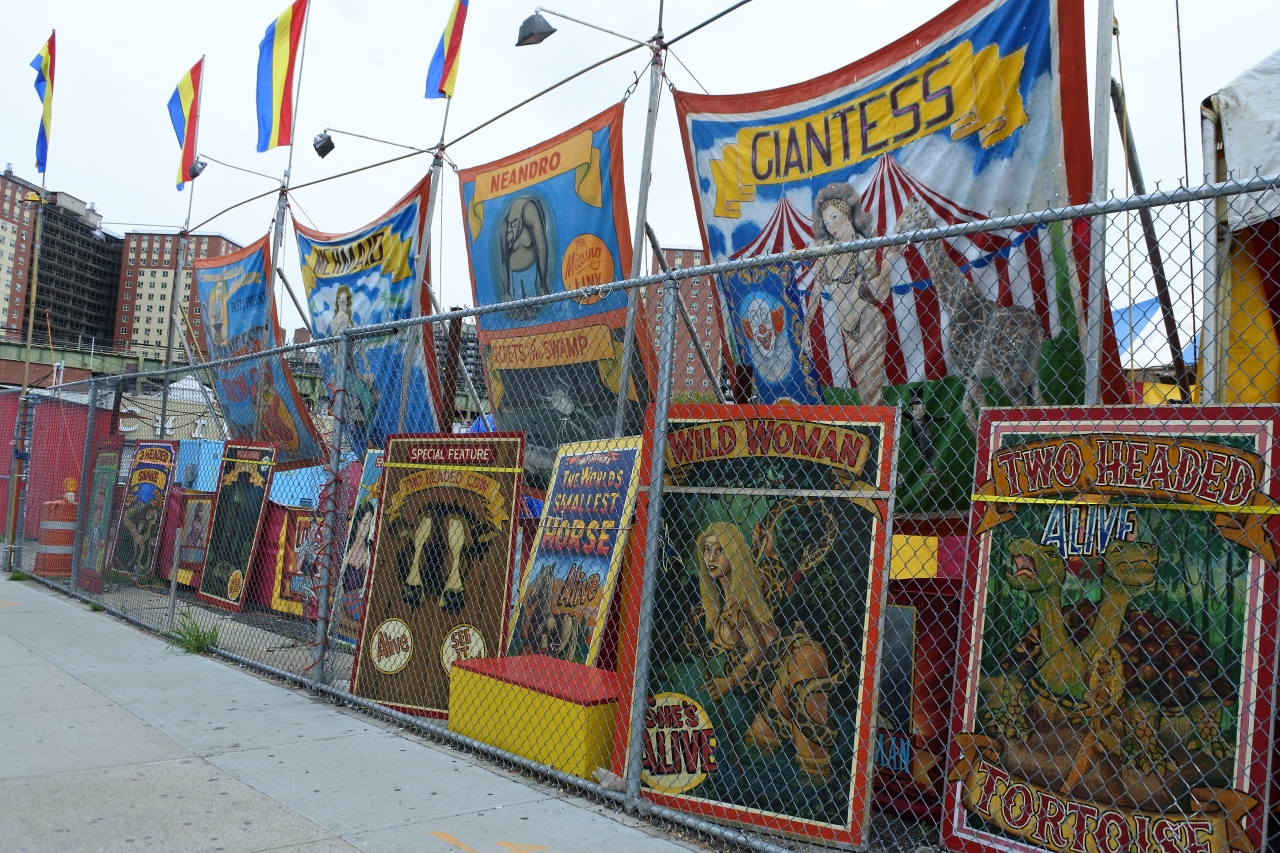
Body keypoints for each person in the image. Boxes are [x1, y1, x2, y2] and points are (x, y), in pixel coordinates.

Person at [696, 522, 841, 781]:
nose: (711, 558)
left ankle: (821, 795)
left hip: (799, 657)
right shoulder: (740, 591)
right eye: (707, 550)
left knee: (812, 757)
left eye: (720, 550)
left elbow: (758, 648)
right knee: (758, 744)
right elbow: (775, 573)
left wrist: (729, 682)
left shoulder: (743, 597)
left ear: (734, 552)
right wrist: (769, 550)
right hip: (774, 674)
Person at [810, 184, 899, 406]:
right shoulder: (825, 251)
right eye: (826, 222)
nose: (831, 226)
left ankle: (885, 426)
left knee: (871, 395)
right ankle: (882, 425)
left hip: (868, 323)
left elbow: (878, 292)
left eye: (834, 217)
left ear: (847, 214)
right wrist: (803, 330)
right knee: (865, 396)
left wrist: (888, 262)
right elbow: (816, 292)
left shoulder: (863, 246)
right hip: (848, 331)